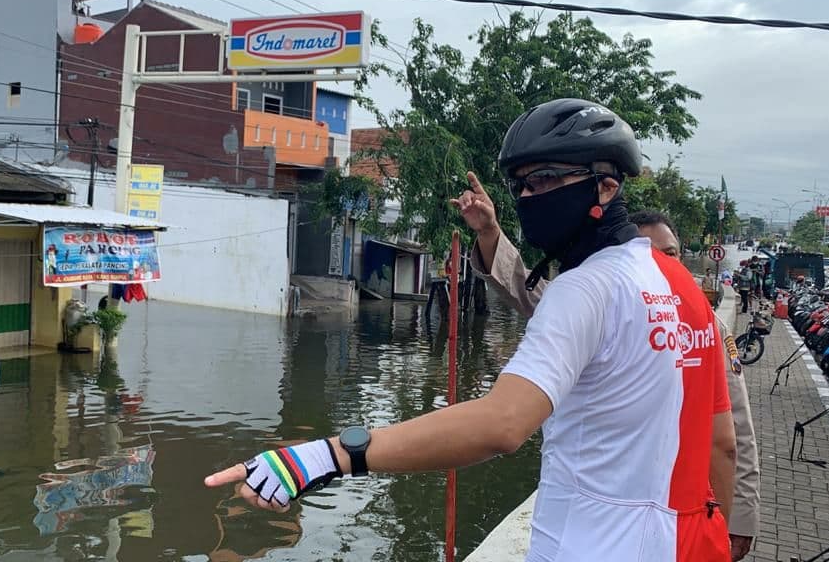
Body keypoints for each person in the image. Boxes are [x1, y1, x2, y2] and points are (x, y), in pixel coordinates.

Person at [205, 99, 735, 561]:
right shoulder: (682, 287)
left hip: (594, 545)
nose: (530, 197)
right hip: (690, 541)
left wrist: (328, 456)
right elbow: (721, 445)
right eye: (522, 185)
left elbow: (502, 424)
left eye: (548, 179)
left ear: (608, 185)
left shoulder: (585, 289)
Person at [452, 172, 759, 561]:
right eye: (647, 253)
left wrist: (740, 519)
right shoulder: (606, 301)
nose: (657, 265)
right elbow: (529, 292)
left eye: (669, 254)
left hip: (667, 514)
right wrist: (490, 235)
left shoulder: (704, 323)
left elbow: (734, 437)